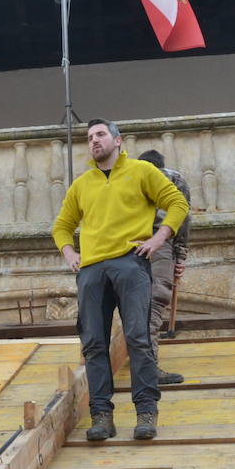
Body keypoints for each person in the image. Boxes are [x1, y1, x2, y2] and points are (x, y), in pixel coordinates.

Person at [52, 119, 190, 441]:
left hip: (131, 262)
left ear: (117, 140)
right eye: (89, 137)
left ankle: (146, 413)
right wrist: (69, 253)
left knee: (138, 338)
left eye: (100, 135)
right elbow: (61, 225)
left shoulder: (142, 171)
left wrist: (159, 239)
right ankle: (101, 415)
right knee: (94, 343)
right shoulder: (82, 184)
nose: (94, 141)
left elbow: (177, 203)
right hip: (91, 270)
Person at [137, 149, 192, 385]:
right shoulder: (175, 180)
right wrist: (180, 256)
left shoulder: (130, 177)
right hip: (159, 243)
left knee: (141, 304)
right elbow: (183, 218)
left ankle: (143, 362)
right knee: (153, 304)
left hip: (133, 242)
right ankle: (147, 368)